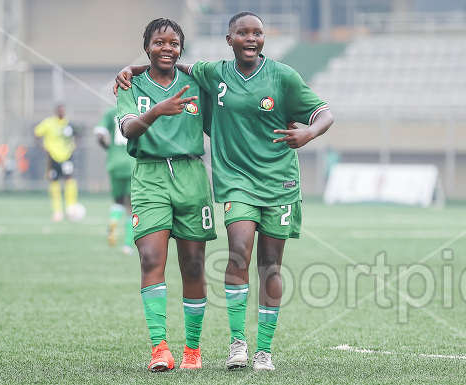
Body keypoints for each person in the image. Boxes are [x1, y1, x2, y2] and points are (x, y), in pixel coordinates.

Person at [115, 11, 334, 371]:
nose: (251, 38)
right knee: (229, 253)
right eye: (243, 33)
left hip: (258, 181)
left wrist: (308, 133)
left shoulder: (269, 76)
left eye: (258, 33)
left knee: (254, 266)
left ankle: (235, 350)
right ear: (228, 39)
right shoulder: (191, 77)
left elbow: (323, 112)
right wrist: (132, 70)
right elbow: (160, 78)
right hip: (214, 180)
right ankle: (222, 344)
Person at [116, 18, 216, 372]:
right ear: (147, 47)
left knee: (192, 265)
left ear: (181, 49)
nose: (167, 48)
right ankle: (160, 348)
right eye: (160, 42)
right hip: (150, 176)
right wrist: (157, 110)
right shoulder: (131, 83)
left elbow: (219, 122)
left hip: (191, 176)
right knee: (149, 259)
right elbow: (128, 128)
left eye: (174, 43)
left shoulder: (195, 84)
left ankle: (192, 350)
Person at [94, 105, 136, 255]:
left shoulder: (111, 111)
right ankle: (127, 245)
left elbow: (99, 134)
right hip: (132, 162)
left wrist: (109, 149)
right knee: (131, 207)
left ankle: (113, 221)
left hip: (114, 163)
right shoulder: (137, 108)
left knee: (118, 202)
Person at [34, 103, 80, 222]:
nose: (62, 112)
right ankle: (57, 211)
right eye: (60, 110)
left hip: (67, 157)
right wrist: (44, 149)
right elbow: (36, 134)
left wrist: (75, 146)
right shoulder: (48, 123)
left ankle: (71, 208)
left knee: (70, 179)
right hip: (53, 158)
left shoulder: (69, 124)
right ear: (56, 111)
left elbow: (78, 134)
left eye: (63, 110)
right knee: (54, 182)